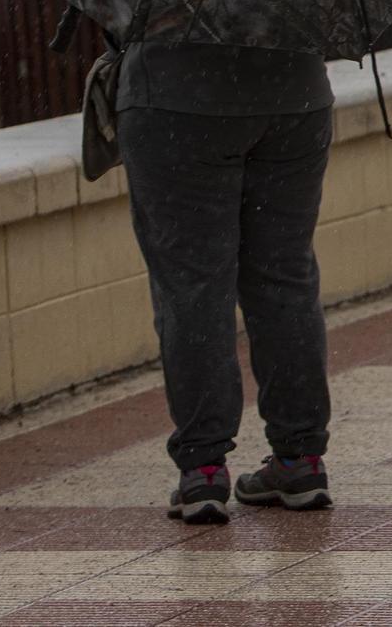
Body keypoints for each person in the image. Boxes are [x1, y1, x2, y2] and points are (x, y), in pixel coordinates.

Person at [114, 41, 338, 524]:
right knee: (285, 277)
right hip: (293, 97)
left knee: (193, 287)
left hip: (176, 99)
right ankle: (300, 459)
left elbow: (115, 8)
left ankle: (203, 469)